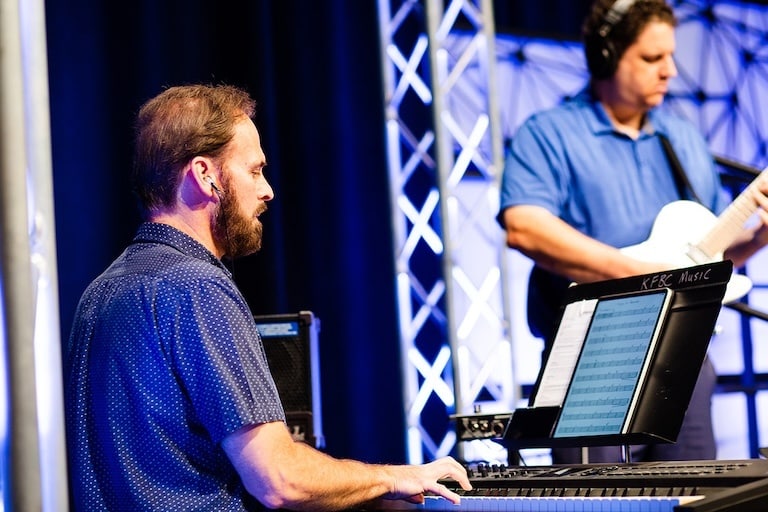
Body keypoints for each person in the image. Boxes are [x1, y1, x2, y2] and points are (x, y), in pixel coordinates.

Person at [63, 84, 471, 511]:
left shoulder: (101, 292)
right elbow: (280, 479)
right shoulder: (197, 286)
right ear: (205, 175)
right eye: (254, 171)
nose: (268, 190)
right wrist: (394, 477)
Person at [498, 0, 768, 464]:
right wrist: (640, 276)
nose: (670, 71)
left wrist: (759, 236)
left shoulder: (682, 138)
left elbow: (702, 259)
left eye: (670, 56)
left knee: (698, 496)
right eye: (650, 58)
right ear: (606, 56)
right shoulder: (550, 133)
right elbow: (524, 228)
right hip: (591, 368)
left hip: (683, 360)